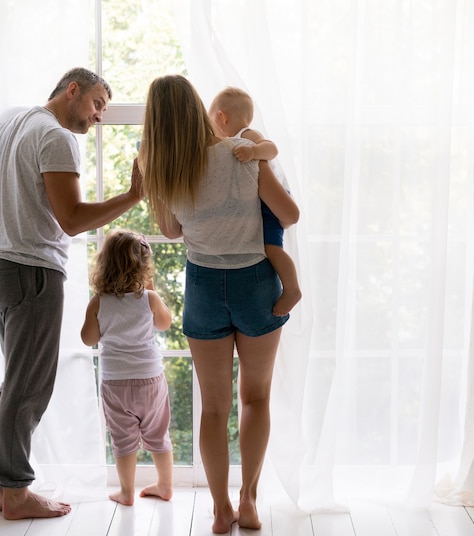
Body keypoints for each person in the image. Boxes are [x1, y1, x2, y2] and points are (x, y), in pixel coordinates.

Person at [0, 67, 144, 520]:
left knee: (19, 374)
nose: (99, 116)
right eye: (97, 104)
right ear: (72, 90)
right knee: (30, 383)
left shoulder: (12, 126)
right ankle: (16, 490)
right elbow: (71, 219)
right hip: (31, 269)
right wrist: (132, 196)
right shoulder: (57, 136)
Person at [137, 75, 300, 534]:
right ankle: (249, 501)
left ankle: (220, 508)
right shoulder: (240, 152)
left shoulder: (163, 168)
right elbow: (287, 214)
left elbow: (171, 232)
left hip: (204, 284)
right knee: (256, 397)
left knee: (212, 407)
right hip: (255, 280)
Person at [80, 228, 174, 506]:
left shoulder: (98, 302)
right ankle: (166, 486)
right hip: (150, 379)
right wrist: (151, 289)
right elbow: (164, 324)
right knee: (158, 434)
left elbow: (88, 339)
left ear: (104, 265)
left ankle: (126, 492)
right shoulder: (149, 298)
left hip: (115, 382)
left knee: (122, 439)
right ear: (144, 267)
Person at [208, 86, 301, 316]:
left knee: (272, 247)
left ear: (222, 117)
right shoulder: (236, 140)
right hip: (263, 203)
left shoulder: (247, 136)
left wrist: (253, 152)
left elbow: (272, 148)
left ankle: (292, 290)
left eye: (211, 122)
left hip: (273, 203)